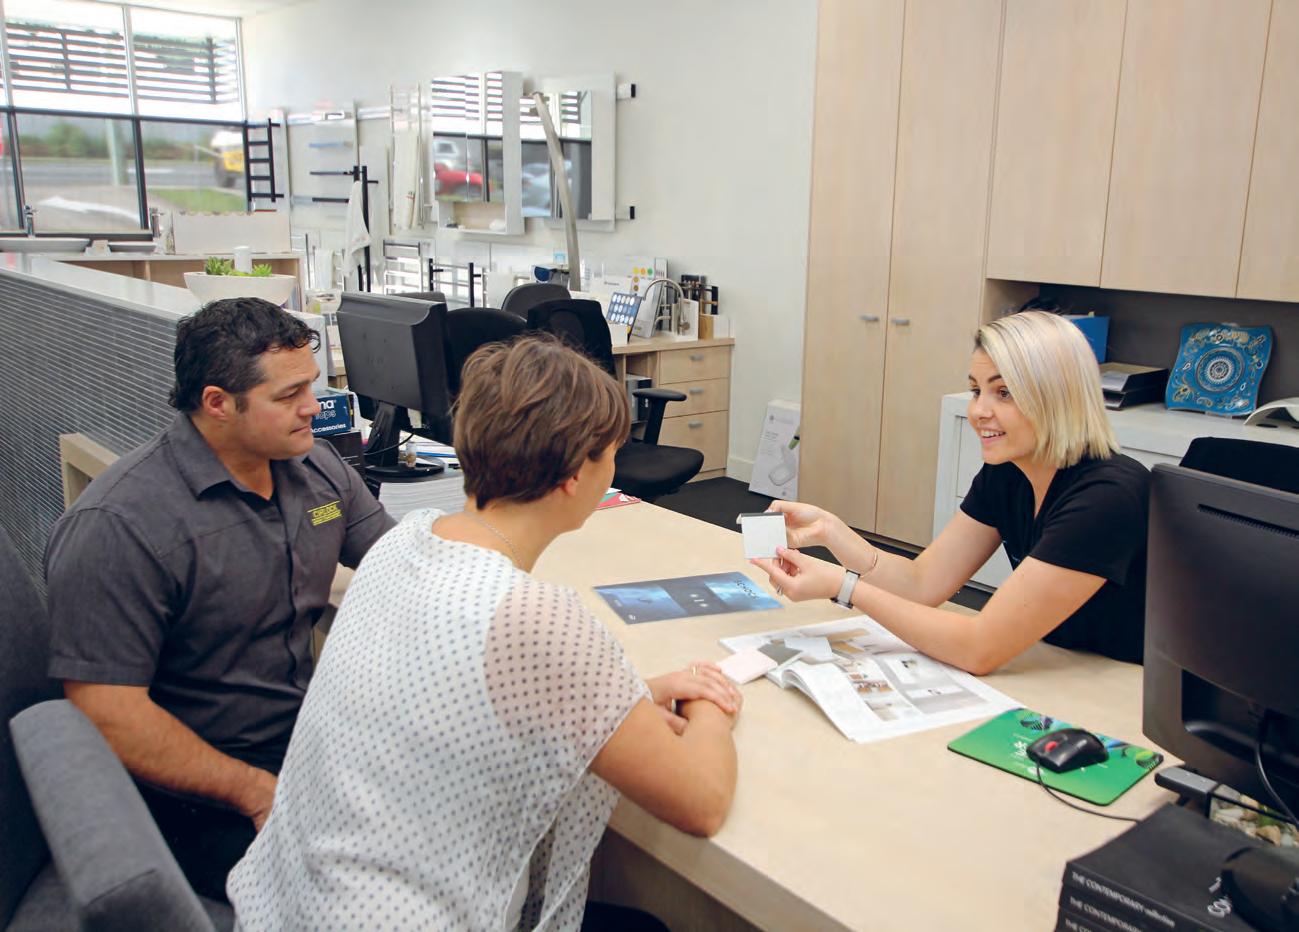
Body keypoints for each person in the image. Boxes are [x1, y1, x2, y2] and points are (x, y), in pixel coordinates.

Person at [228, 335, 742, 931]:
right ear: (576, 474)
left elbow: (457, 685)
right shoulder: (533, 615)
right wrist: (711, 700)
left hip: (287, 904)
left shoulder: (406, 540)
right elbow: (701, 801)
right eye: (612, 454)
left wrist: (627, 694)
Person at [44, 298, 395, 901]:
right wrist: (252, 791)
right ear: (217, 404)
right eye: (289, 395)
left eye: (311, 385)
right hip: (196, 791)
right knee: (377, 892)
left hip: (302, 745)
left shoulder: (314, 467)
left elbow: (396, 558)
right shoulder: (120, 525)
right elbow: (107, 712)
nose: (313, 407)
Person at [753, 310, 1148, 673]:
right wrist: (830, 531)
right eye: (976, 391)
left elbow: (978, 648)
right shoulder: (1008, 472)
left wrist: (844, 587)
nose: (978, 411)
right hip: (1061, 666)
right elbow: (921, 584)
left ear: (1056, 397)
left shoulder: (1106, 497)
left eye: (1004, 393)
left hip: (1123, 686)